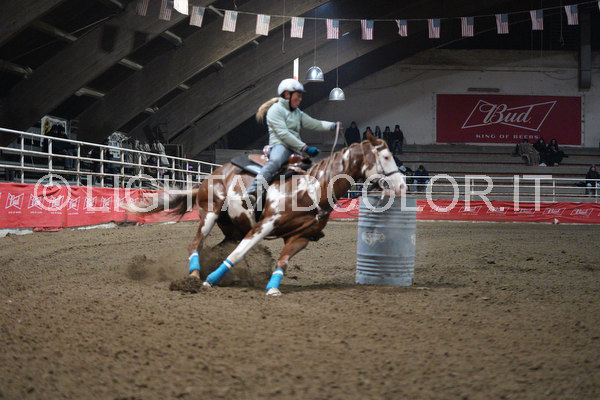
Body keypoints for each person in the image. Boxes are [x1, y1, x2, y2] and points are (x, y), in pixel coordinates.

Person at [246, 78, 341, 203]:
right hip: (280, 146)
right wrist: (304, 148)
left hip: (296, 149)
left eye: (301, 96)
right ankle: (252, 191)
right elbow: (284, 134)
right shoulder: (275, 110)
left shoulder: (298, 113)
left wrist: (332, 126)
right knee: (275, 162)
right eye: (298, 96)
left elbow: (314, 123)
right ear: (287, 95)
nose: (300, 99)